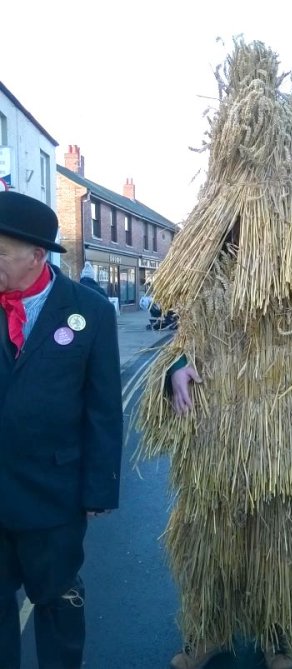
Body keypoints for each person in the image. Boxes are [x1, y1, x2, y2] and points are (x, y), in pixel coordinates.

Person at [136, 39, 292, 669]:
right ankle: (209, 628)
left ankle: (277, 634)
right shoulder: (207, 257)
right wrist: (176, 370)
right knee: (209, 536)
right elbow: (183, 337)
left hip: (288, 428)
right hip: (216, 431)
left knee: (285, 542)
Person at [0, 191, 123, 669]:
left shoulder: (89, 312)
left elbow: (103, 407)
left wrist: (98, 489)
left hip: (53, 495)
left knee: (57, 606)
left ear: (36, 256)